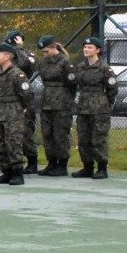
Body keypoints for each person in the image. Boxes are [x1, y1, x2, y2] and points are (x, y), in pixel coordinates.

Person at [73, 37, 117, 179]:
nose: (86, 50)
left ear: (97, 50)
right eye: (85, 47)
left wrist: (104, 103)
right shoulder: (81, 66)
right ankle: (87, 167)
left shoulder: (104, 68)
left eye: (90, 47)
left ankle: (102, 168)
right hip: (83, 107)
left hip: (99, 109)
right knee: (83, 139)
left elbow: (112, 89)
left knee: (98, 138)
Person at [0, 43, 33, 185]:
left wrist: (24, 107)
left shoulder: (17, 74)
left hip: (13, 112)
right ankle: (6, 172)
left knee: (13, 142)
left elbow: (26, 93)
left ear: (7, 56)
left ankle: (17, 173)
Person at [35, 35, 76, 176]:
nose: (45, 55)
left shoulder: (65, 62)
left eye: (47, 51)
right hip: (47, 102)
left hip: (62, 103)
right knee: (47, 134)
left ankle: (62, 164)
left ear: (54, 47)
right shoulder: (43, 62)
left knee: (61, 134)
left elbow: (72, 84)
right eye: (43, 53)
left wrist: (68, 100)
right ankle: (51, 162)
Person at [5, 29, 39, 173]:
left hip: (23, 96)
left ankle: (32, 161)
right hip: (8, 98)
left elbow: (25, 65)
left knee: (26, 132)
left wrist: (20, 47)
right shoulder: (7, 56)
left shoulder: (28, 55)